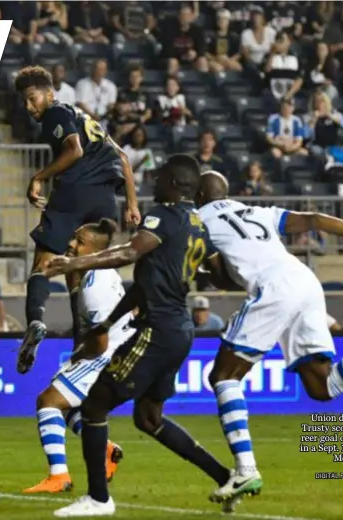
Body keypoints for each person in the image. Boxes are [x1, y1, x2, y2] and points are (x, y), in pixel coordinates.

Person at [195, 170, 343, 505]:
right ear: (227, 192)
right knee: (322, 387)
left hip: (273, 288)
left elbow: (222, 277)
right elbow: (313, 219)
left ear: (198, 196)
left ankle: (245, 469)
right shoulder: (256, 211)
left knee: (223, 376)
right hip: (305, 279)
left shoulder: (198, 219)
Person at [46, 155, 236, 517]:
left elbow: (130, 252)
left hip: (158, 330)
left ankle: (99, 499)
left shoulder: (163, 216)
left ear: (176, 183)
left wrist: (75, 263)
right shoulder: (198, 226)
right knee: (149, 419)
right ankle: (226, 476)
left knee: (95, 404)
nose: (155, 179)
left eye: (161, 175)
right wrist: (105, 325)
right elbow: (149, 285)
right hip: (179, 329)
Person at [13, 66, 141, 375]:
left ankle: (35, 321)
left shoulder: (56, 114)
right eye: (26, 102)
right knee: (79, 271)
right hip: (105, 201)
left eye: (33, 99)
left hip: (74, 192)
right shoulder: (87, 118)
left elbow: (74, 150)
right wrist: (132, 204)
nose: (31, 107)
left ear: (50, 94)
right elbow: (122, 157)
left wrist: (38, 177)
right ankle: (79, 348)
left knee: (43, 264)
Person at [23, 219, 130, 494]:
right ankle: (105, 449)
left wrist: (79, 353)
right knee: (65, 406)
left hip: (107, 353)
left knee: (48, 401)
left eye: (79, 242)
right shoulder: (95, 273)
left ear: (93, 251)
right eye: (74, 237)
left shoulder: (96, 285)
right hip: (113, 347)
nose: (71, 244)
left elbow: (100, 343)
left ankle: (59, 477)